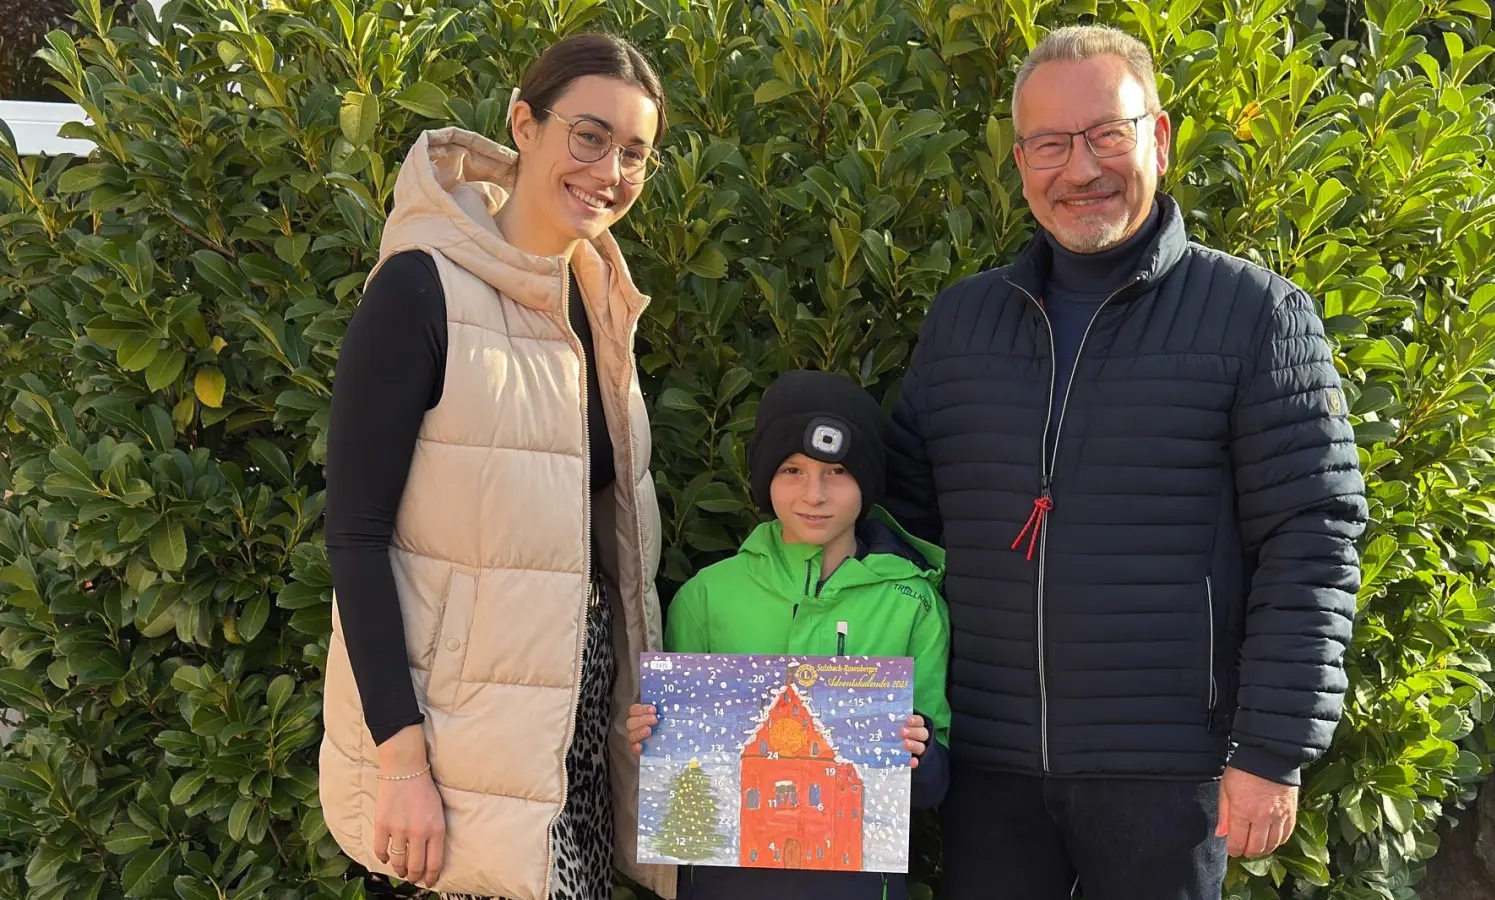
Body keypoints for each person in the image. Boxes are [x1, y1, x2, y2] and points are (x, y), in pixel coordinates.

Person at [882, 23, 1369, 900]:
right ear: (1020, 157)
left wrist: (1271, 750)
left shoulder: (1255, 316)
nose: (1081, 170)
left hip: (1168, 776)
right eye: (1050, 144)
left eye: (1108, 134)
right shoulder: (960, 326)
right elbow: (902, 532)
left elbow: (1313, 542)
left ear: (1161, 136)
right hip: (989, 772)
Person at [318, 33, 676, 900]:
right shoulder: (420, 289)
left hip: (566, 748)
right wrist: (402, 762)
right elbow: (355, 537)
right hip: (449, 758)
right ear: (524, 122)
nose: (610, 171)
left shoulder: (596, 303)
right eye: (588, 136)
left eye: (636, 152)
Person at [627, 370, 952, 900]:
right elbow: (675, 769)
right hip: (724, 882)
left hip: (858, 882)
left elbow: (935, 782)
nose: (814, 494)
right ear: (764, 478)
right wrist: (651, 733)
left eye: (838, 471)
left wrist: (920, 753)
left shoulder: (913, 605)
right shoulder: (707, 597)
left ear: (866, 480)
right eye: (792, 470)